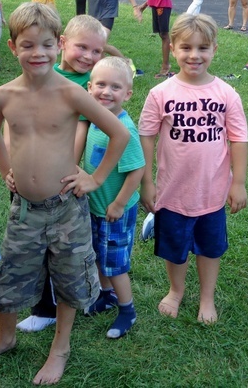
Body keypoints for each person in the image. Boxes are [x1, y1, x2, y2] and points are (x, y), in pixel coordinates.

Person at [0, 2, 130, 385]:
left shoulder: (72, 94)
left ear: (59, 44)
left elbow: (120, 134)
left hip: (66, 208)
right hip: (24, 209)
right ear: (12, 47)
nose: (38, 53)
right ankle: (5, 336)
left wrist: (95, 179)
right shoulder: (3, 96)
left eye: (47, 45)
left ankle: (60, 348)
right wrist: (5, 171)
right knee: (11, 272)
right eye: (28, 45)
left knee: (69, 276)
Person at [139, 14, 248, 323]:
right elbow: (146, 137)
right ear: (172, 48)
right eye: (186, 48)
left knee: (209, 249)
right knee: (174, 247)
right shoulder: (160, 93)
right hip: (172, 192)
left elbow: (238, 139)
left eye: (202, 48)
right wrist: (146, 182)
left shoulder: (226, 93)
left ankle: (207, 298)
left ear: (214, 49)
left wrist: (238, 183)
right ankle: (176, 290)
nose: (194, 55)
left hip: (212, 192)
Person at [13, 13, 108, 334]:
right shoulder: (39, 73)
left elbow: (90, 129)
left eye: (97, 51)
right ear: (63, 43)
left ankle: (90, 295)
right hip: (31, 186)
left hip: (68, 187)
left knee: (73, 251)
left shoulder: (90, 84)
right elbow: (15, 122)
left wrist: (78, 170)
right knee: (33, 251)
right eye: (82, 47)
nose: (89, 57)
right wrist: (10, 166)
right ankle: (44, 307)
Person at [82, 57, 145, 339]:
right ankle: (106, 295)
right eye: (101, 85)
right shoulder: (96, 121)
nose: (106, 92)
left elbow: (137, 170)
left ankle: (127, 309)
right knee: (99, 254)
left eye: (115, 87)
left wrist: (119, 204)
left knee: (115, 264)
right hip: (97, 206)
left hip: (115, 209)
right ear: (89, 87)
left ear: (127, 94)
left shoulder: (124, 129)